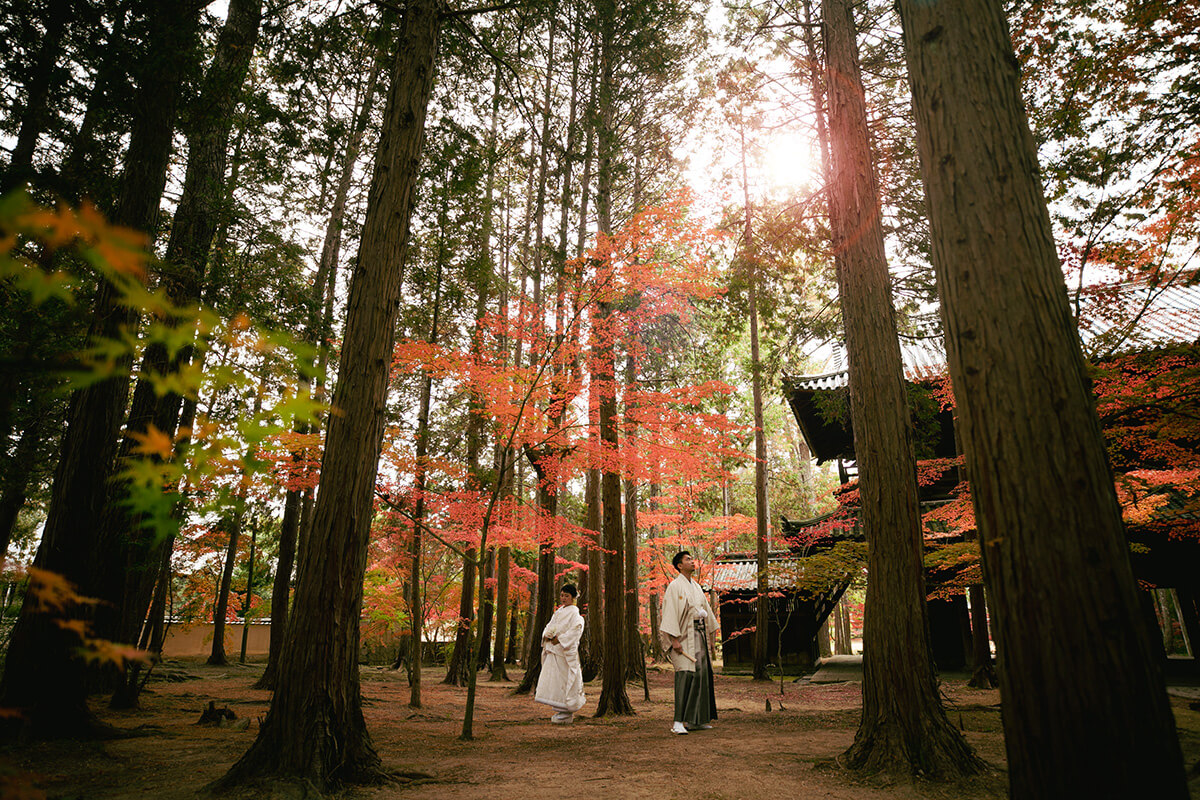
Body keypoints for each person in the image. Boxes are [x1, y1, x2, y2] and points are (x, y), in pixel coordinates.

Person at [659, 550, 718, 735]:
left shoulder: (697, 587)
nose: (693, 562)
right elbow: (670, 613)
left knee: (701, 676)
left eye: (692, 559)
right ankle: (678, 721)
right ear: (679, 565)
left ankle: (696, 720)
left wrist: (711, 634)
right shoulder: (675, 586)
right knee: (684, 675)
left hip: (698, 635)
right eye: (688, 559)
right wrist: (674, 639)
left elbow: (706, 610)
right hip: (683, 637)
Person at [534, 584, 586, 724]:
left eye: (567, 596)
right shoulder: (559, 611)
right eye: (562, 595)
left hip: (564, 651)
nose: (563, 598)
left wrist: (560, 640)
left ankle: (566, 709)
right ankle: (559, 708)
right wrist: (548, 635)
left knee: (565, 678)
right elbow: (550, 625)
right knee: (555, 680)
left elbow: (576, 629)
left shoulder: (575, 613)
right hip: (554, 650)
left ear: (573, 598)